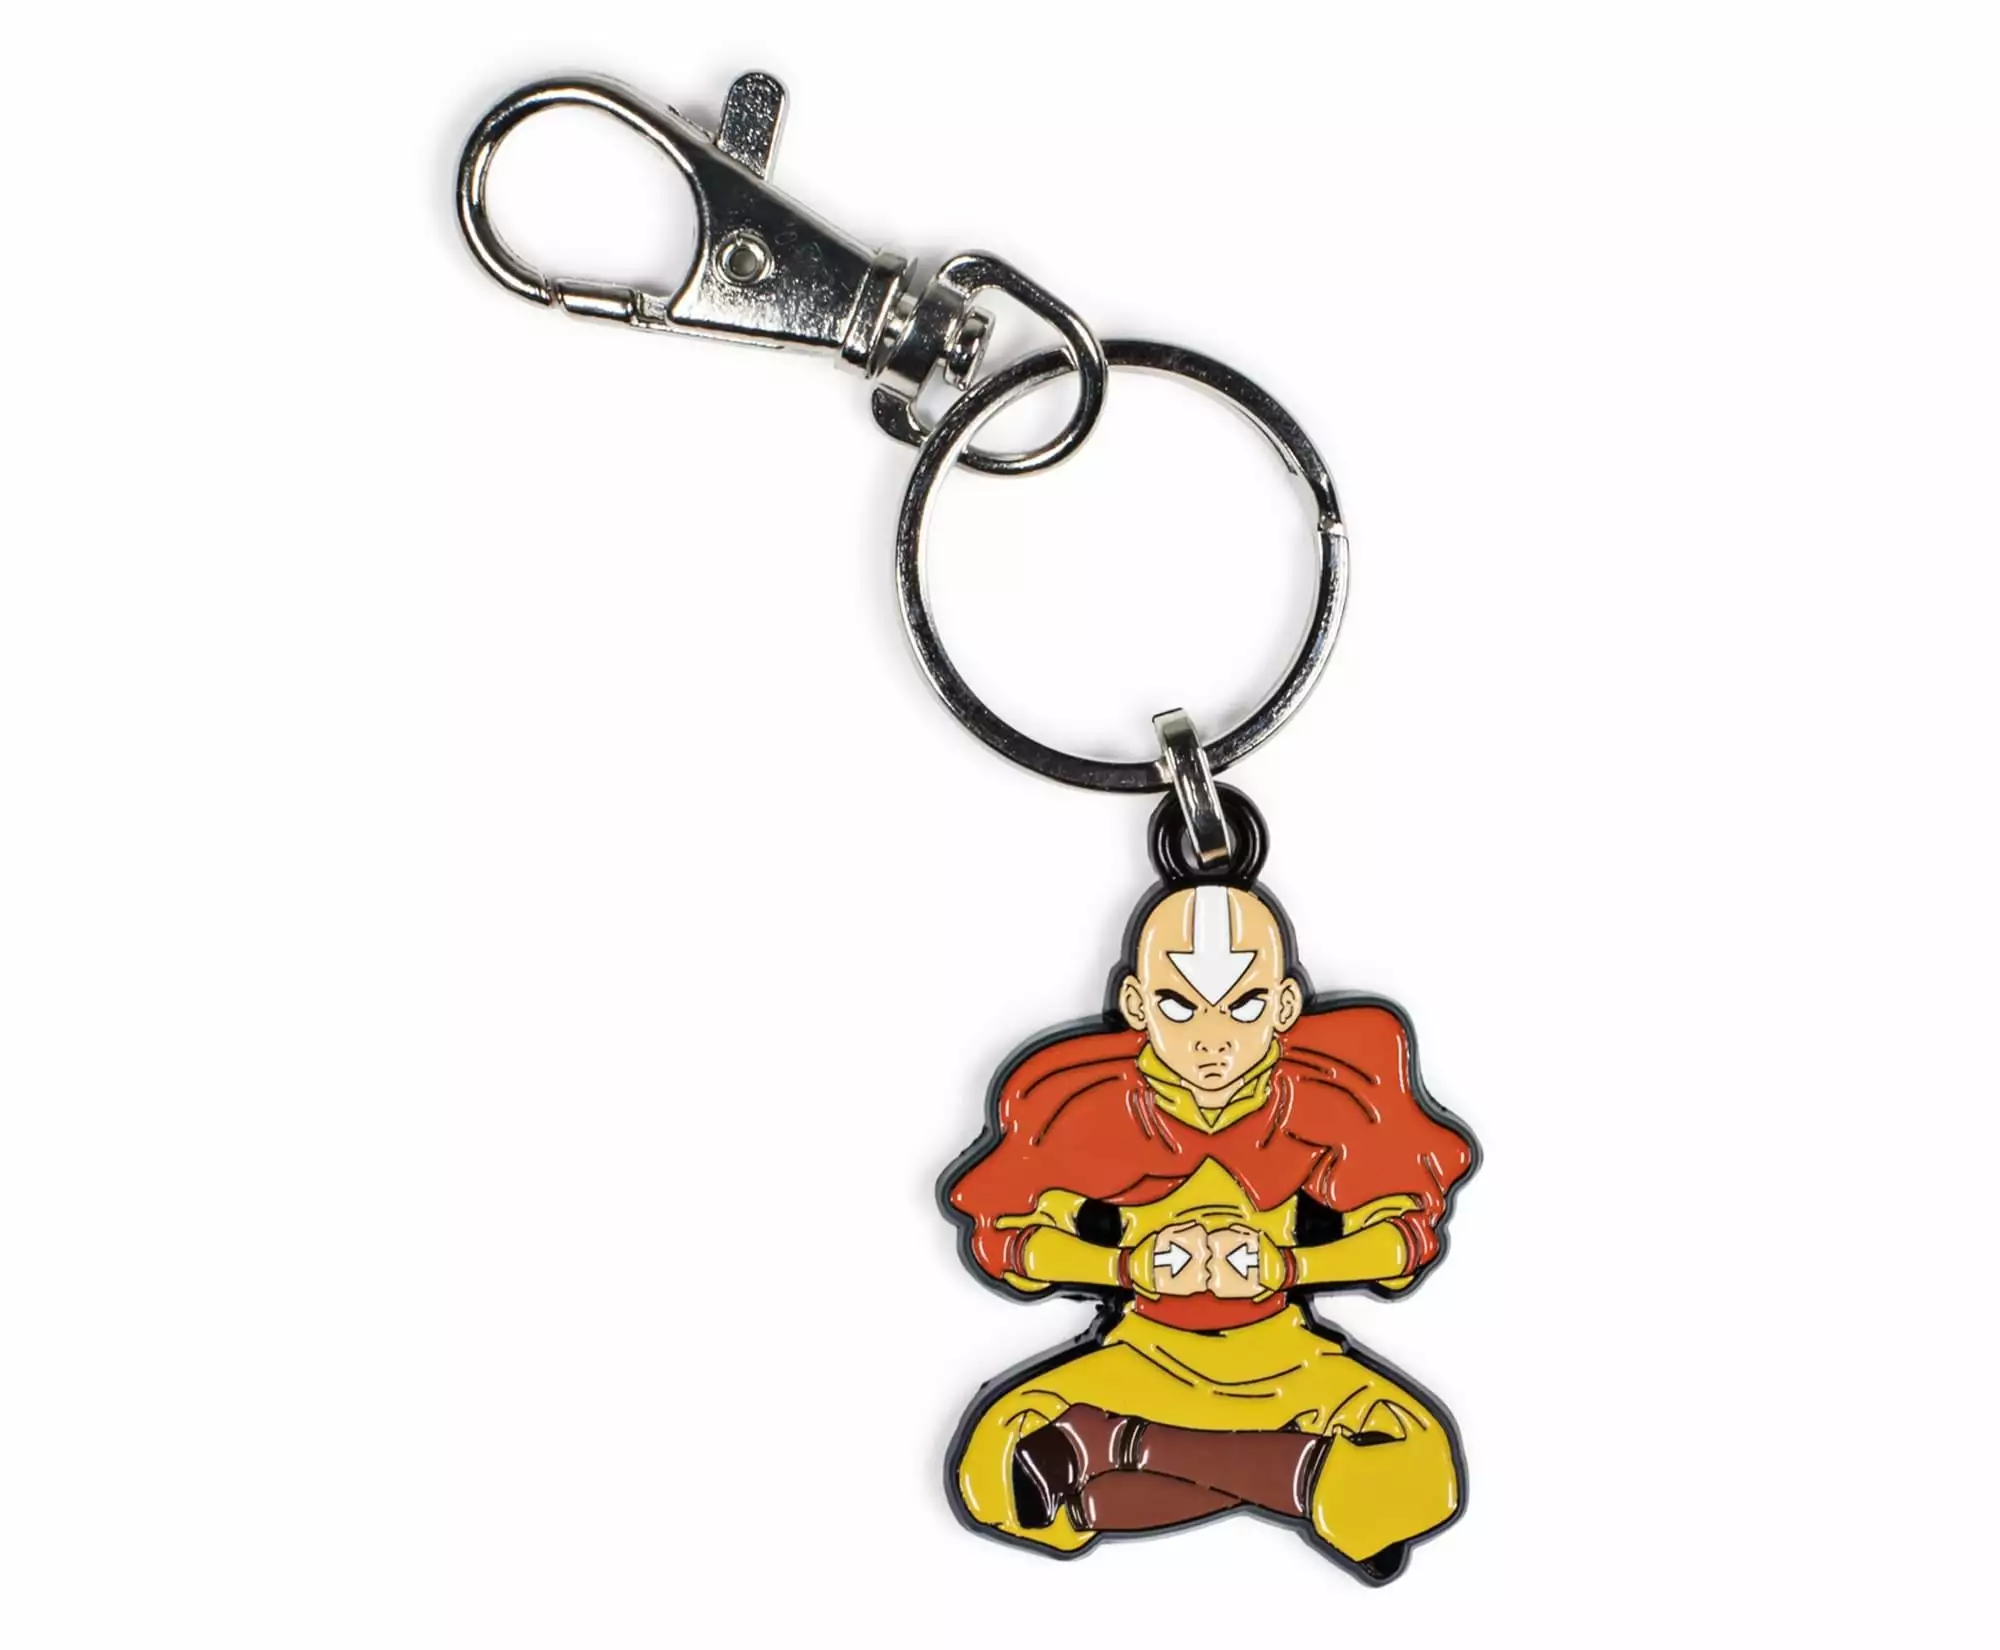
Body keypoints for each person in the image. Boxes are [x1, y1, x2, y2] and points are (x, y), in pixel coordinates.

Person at [944, 882, 1475, 1579]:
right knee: (992, 1468)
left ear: (1286, 1005)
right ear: (1135, 1004)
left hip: (1292, 1365)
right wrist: (1124, 1268)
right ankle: (1301, 1481)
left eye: (1243, 1007)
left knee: (1426, 1470)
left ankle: (1111, 1450)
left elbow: (1403, 1239)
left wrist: (1289, 1267)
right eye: (1179, 1006)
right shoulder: (1082, 1107)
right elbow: (1011, 1242)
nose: (1212, 1039)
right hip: (1140, 1358)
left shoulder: (1336, 1103)